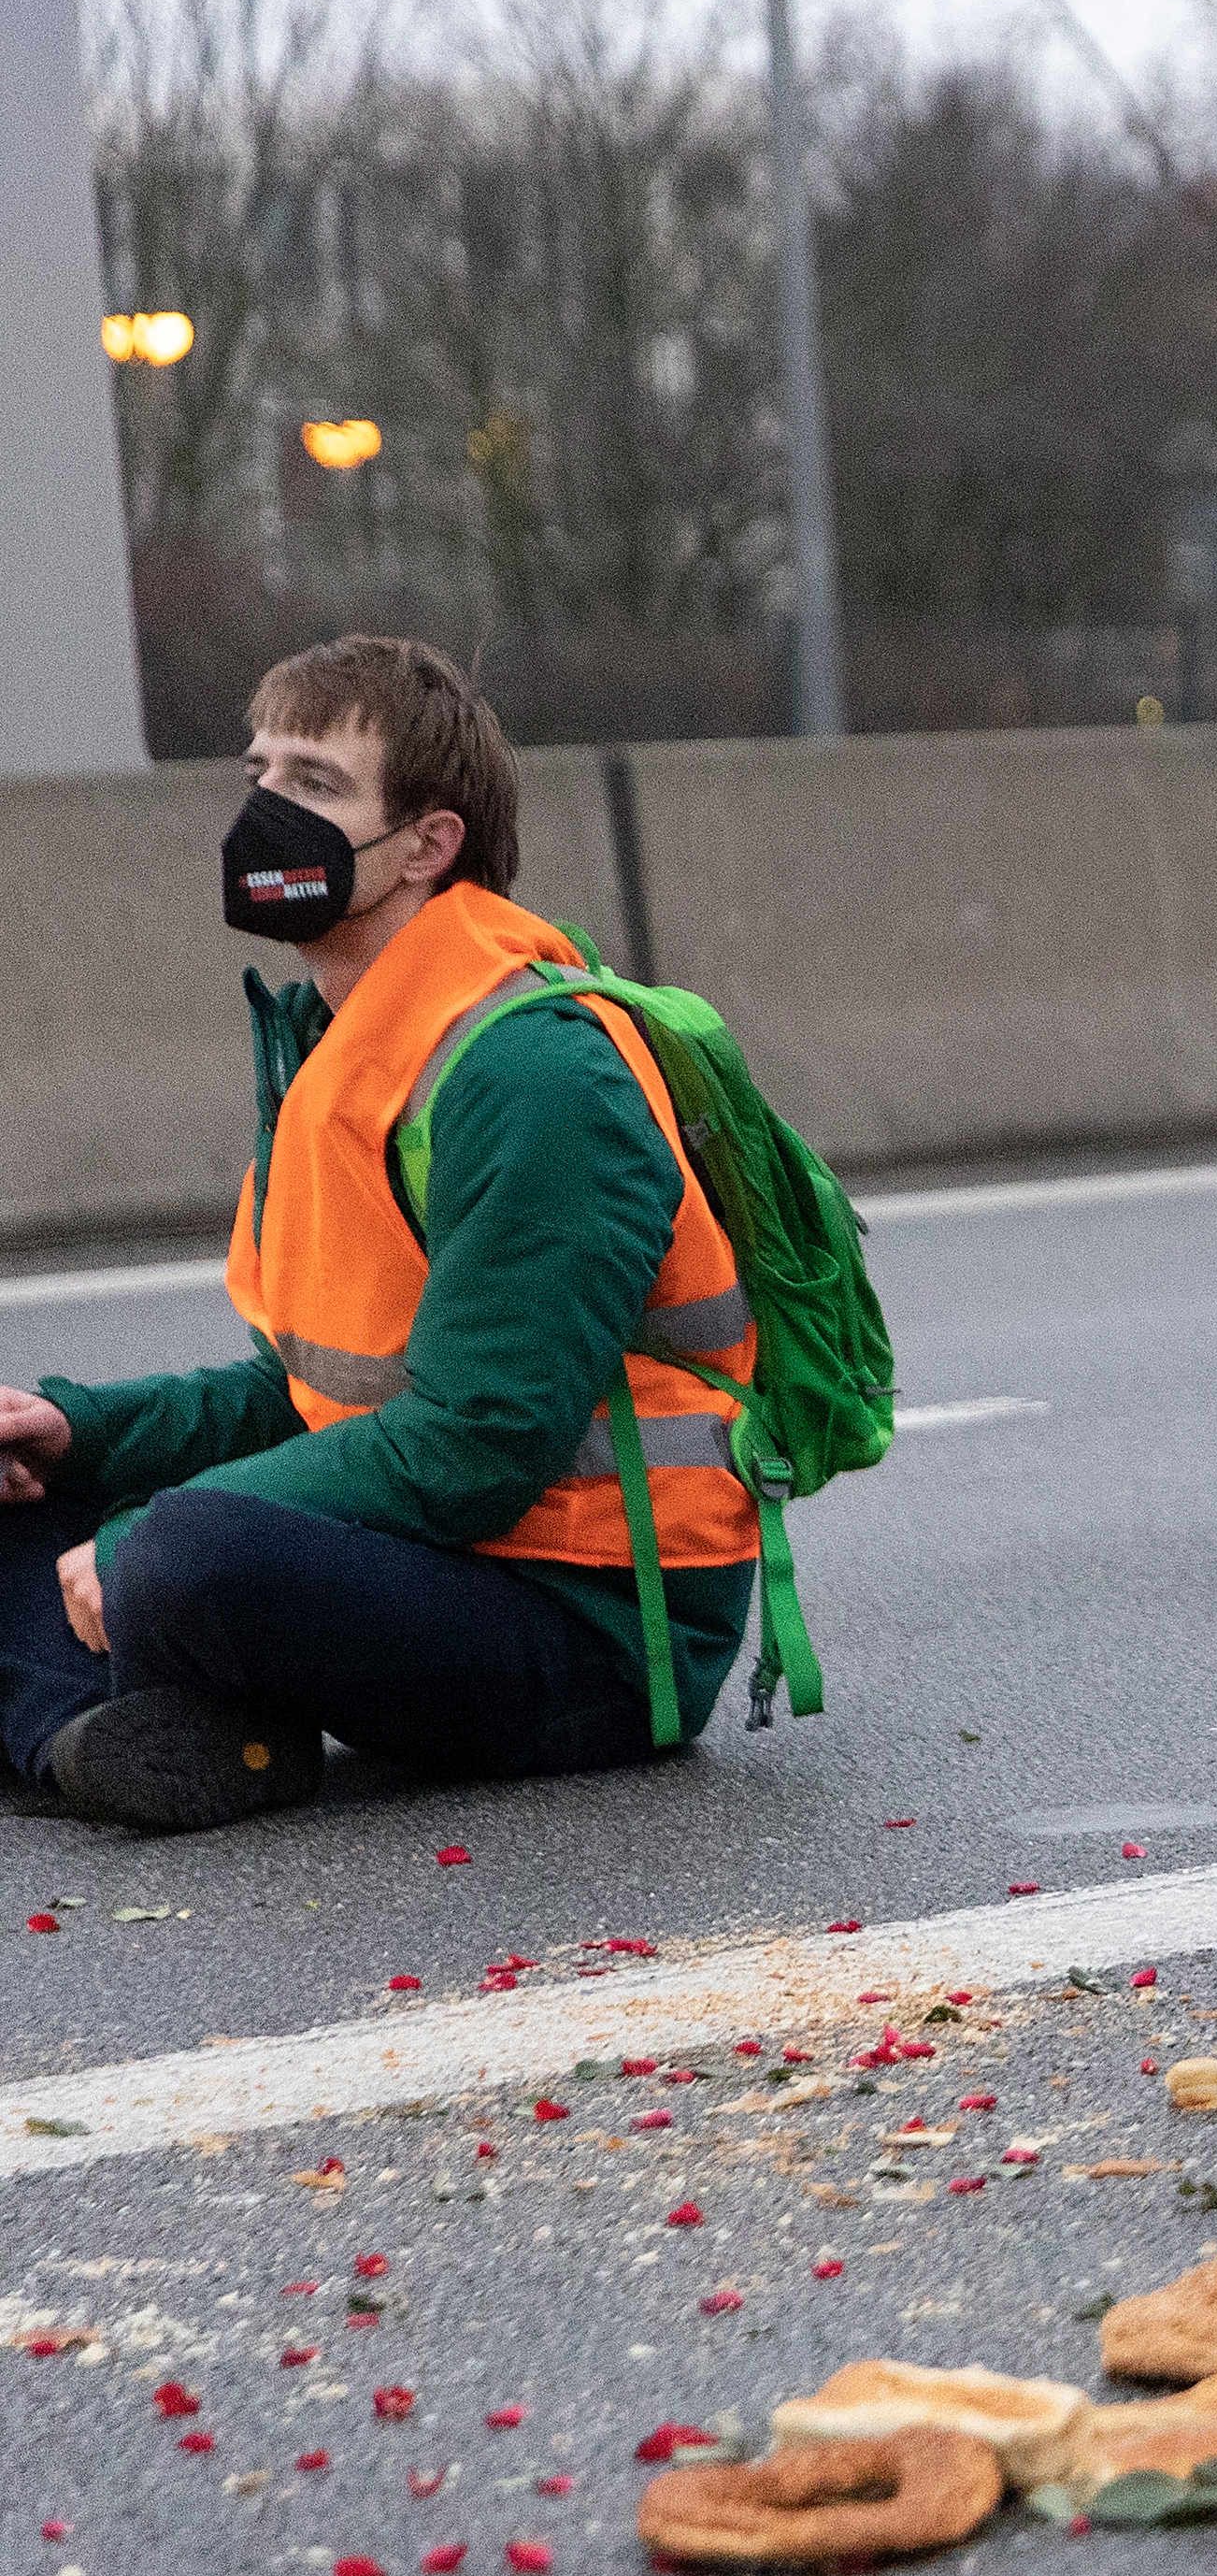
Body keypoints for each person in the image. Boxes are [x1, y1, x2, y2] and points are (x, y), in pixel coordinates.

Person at [0, 638, 754, 1830]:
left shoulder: (535, 1074)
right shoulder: (335, 1046)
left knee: (189, 1552)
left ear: (428, 844)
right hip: (436, 1566)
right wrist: (83, 1430)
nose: (263, 812)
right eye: (259, 774)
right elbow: (311, 1396)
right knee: (24, 1484)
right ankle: (103, 1739)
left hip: (596, 1625)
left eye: (313, 784)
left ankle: (77, 1714)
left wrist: (147, 1537)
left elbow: (477, 1440)